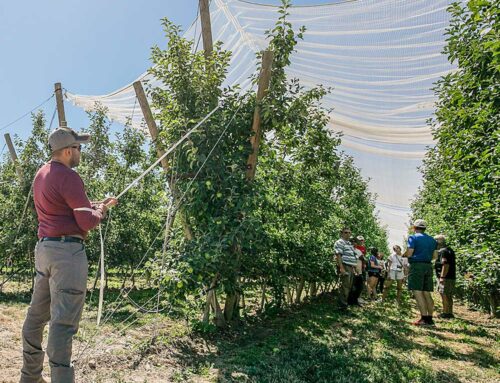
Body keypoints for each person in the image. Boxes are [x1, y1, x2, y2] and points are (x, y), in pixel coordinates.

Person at [20, 127, 118, 383]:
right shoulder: (69, 176)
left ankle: (29, 377)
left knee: (36, 315)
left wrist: (94, 206)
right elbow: (86, 221)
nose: (80, 153)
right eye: (78, 148)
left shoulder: (41, 174)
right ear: (67, 151)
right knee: (63, 323)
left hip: (45, 250)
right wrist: (102, 211)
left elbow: (65, 208)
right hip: (67, 255)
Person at [403, 219, 438, 326]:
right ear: (425, 228)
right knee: (426, 292)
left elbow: (409, 253)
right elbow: (435, 257)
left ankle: (423, 318)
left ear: (414, 228)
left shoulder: (413, 237)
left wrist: (404, 255)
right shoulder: (432, 240)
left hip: (417, 266)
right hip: (428, 265)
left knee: (417, 292)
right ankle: (429, 318)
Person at [334, 227, 358, 311]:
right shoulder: (340, 242)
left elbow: (353, 257)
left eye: (349, 232)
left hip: (351, 267)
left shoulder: (349, 243)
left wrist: (354, 269)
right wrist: (341, 268)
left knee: (349, 286)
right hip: (345, 266)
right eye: (346, 232)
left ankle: (344, 305)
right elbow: (338, 255)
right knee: (345, 287)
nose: (348, 234)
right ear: (341, 233)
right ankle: (342, 307)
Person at [434, 234, 456, 319]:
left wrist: (442, 277)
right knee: (449, 294)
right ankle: (450, 312)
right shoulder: (449, 250)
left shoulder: (443, 251)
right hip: (451, 276)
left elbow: (445, 264)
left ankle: (445, 313)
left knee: (444, 294)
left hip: (445, 277)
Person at [348, 237, 364, 307]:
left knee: (360, 286)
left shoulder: (358, 251)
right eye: (352, 242)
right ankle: (349, 302)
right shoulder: (348, 251)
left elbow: (363, 259)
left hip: (359, 271)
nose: (354, 243)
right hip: (351, 271)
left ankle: (355, 300)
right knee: (351, 287)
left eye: (355, 242)